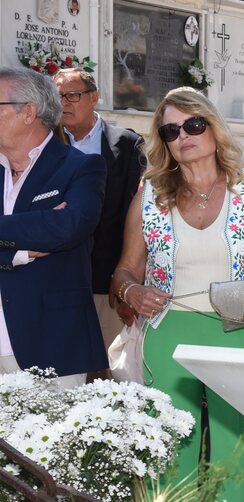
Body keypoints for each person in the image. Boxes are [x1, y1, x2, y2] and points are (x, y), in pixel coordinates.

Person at [110, 87, 244, 502]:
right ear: (163, 142)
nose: (183, 135)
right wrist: (132, 293)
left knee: (234, 451)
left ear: (212, 127)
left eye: (193, 124)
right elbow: (124, 271)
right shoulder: (150, 196)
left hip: (236, 330)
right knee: (170, 453)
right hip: (167, 333)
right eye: (171, 130)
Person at [0, 67, 107, 388]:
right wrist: (19, 252)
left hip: (52, 341)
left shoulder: (80, 167)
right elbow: (50, 227)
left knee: (52, 440)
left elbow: (68, 227)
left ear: (28, 112)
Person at [53, 68, 145, 357]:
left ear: (94, 98)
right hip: (59, 281)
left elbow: (136, 216)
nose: (64, 103)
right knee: (64, 368)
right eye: (58, 97)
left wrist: (127, 283)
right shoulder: (46, 145)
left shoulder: (127, 145)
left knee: (109, 371)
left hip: (108, 286)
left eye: (73, 95)